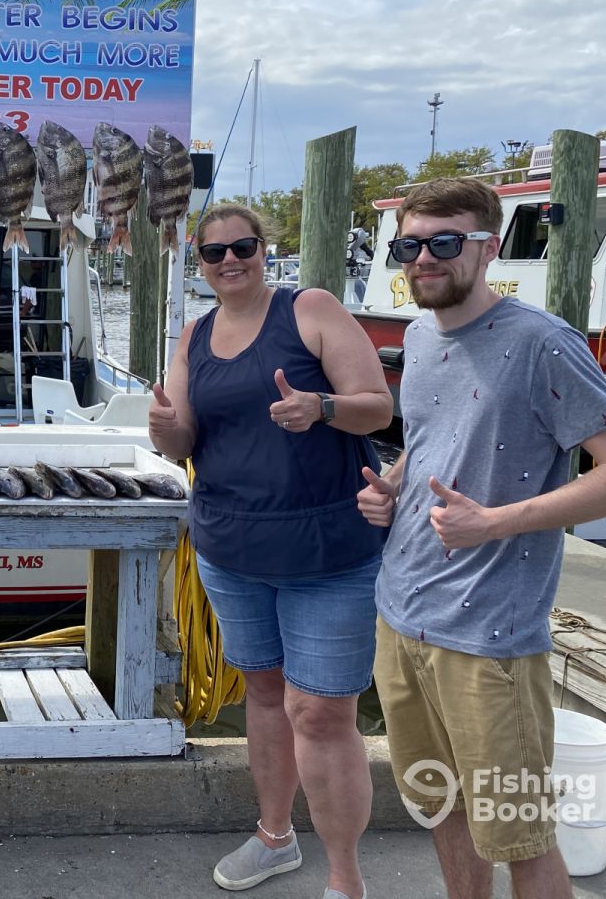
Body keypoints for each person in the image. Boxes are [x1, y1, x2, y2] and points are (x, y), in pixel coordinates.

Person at [356, 178, 606, 899]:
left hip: (489, 638)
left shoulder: (542, 344)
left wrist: (494, 522)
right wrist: (393, 486)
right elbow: (429, 441)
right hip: (401, 619)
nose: (423, 259)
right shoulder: (418, 336)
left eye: (445, 242)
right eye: (408, 245)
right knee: (441, 805)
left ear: (489, 247)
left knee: (520, 834)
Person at [149, 204, 394, 899]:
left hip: (328, 553)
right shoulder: (194, 334)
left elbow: (378, 405)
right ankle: (275, 837)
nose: (230, 260)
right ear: (199, 264)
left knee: (321, 713)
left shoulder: (310, 309)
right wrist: (163, 429)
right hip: (231, 551)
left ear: (264, 250)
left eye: (243, 247)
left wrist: (321, 407)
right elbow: (183, 440)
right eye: (214, 252)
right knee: (262, 694)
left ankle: (345, 879)